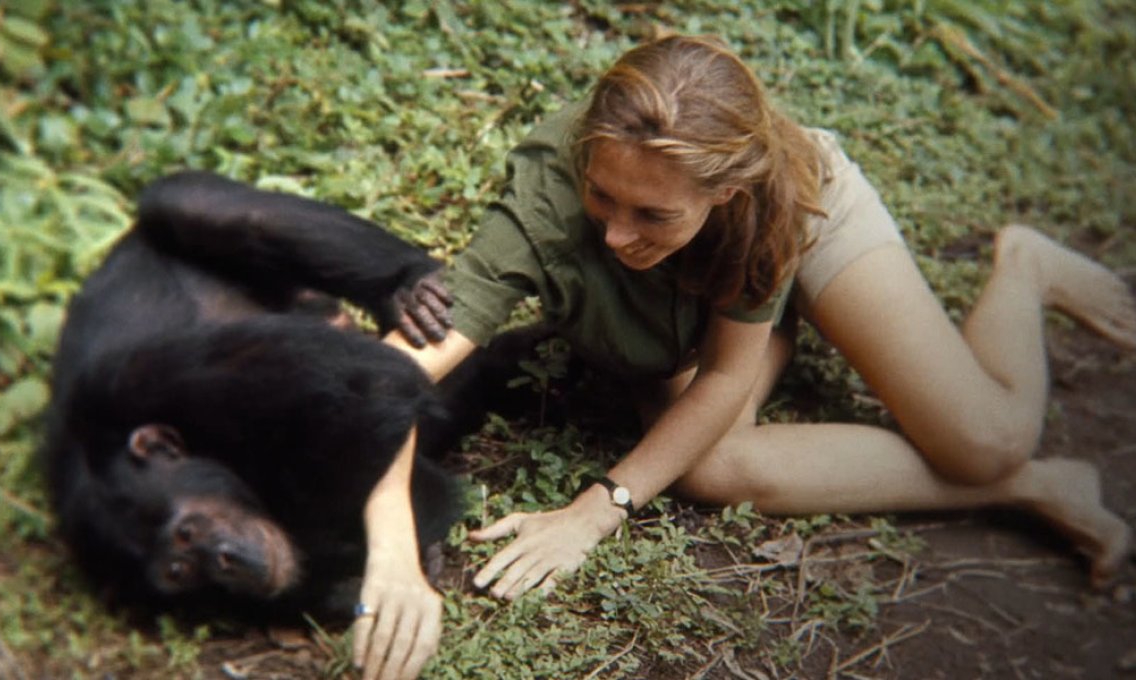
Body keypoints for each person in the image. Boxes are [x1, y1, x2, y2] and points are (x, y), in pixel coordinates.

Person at [353, 34, 1136, 679]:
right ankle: (1029, 487)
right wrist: (391, 554)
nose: (618, 234)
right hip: (693, 304)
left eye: (650, 213)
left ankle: (1026, 269)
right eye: (604, 199)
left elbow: (728, 372)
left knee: (988, 438)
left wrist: (593, 514)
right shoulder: (551, 198)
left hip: (805, 238)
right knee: (709, 467)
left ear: (724, 192)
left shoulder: (773, 197)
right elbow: (389, 380)